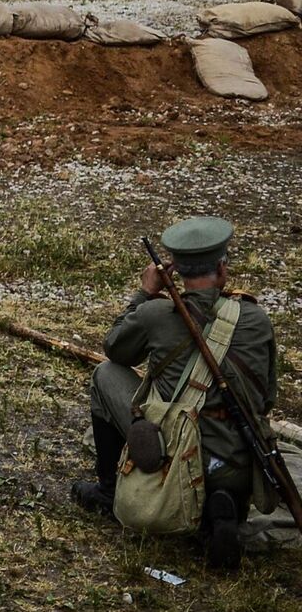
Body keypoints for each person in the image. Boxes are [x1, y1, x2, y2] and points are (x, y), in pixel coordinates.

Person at [71, 217, 277, 570]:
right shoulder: (257, 319)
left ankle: (109, 491)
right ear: (222, 269)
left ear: (176, 269)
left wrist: (145, 293)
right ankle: (221, 504)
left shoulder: (155, 314)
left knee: (105, 376)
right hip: (240, 461)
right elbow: (267, 398)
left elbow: (115, 350)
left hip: (178, 457)